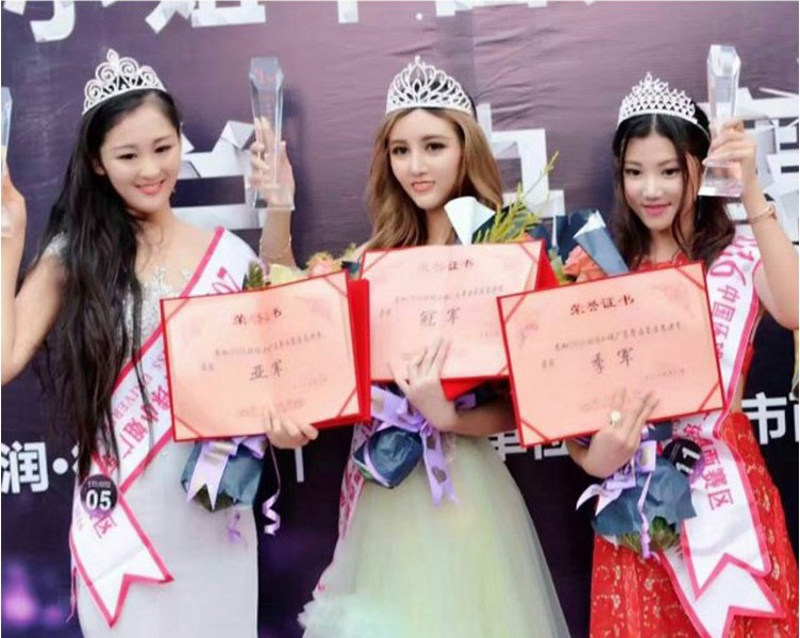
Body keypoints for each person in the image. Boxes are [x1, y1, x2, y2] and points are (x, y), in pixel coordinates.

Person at [1, 48, 295, 636]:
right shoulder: (74, 257)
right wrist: (10, 241)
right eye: (128, 155)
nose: (150, 169)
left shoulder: (227, 255)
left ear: (181, 140)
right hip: (121, 525)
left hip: (212, 519)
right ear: (97, 162)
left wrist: (281, 205)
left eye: (163, 148)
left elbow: (283, 340)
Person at [294, 57, 570, 638]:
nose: (415, 166)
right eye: (400, 150)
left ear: (466, 148)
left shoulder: (504, 253)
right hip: (384, 491)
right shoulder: (372, 259)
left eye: (434, 146)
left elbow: (533, 403)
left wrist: (446, 416)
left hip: (463, 490)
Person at [565, 73, 799, 637]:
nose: (651, 189)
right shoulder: (599, 270)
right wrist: (598, 459)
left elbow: (793, 308)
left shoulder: (737, 257)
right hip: (634, 509)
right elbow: (574, 420)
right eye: (635, 172)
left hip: (724, 492)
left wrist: (750, 191)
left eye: (669, 171)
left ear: (701, 166)